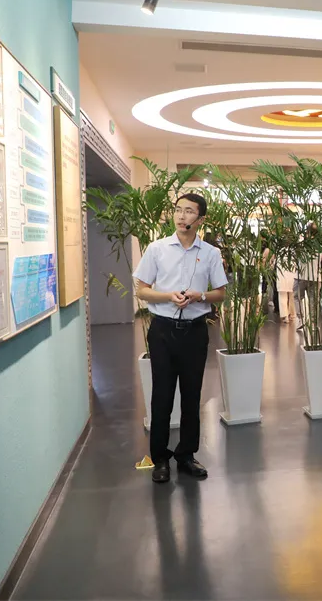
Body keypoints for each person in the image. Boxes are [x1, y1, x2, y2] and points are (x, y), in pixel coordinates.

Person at [133, 193, 228, 484]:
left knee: (191, 394)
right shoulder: (157, 249)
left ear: (201, 219)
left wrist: (200, 296)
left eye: (188, 211)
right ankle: (160, 457)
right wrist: (168, 296)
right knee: (162, 395)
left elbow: (220, 293)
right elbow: (141, 290)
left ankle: (186, 454)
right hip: (162, 330)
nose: (181, 216)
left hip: (195, 331)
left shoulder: (210, 253)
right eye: (178, 210)